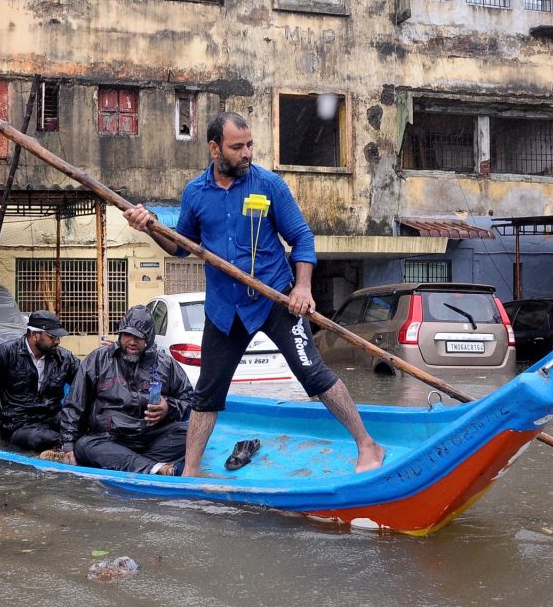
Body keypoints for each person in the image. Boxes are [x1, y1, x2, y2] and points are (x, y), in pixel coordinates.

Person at [124, 111, 385, 477]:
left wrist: (303, 287)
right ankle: (192, 472)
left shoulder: (269, 185)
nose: (246, 153)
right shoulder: (196, 193)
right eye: (237, 147)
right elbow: (180, 246)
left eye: (249, 145)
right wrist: (150, 225)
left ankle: (368, 445)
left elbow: (302, 239)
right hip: (224, 310)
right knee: (207, 393)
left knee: (314, 374)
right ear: (214, 148)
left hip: (275, 299)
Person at [53, 305, 193, 475]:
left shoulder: (166, 364)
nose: (132, 342)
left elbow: (189, 400)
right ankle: (152, 467)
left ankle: (133, 463)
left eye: (138, 337)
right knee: (84, 446)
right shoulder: (99, 359)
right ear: (120, 334)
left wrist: (168, 408)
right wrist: (68, 444)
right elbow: (75, 404)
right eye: (127, 335)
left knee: (191, 432)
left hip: (150, 437)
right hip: (110, 438)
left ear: (148, 339)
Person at [0, 310, 79, 452]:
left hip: (51, 419)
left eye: (58, 337)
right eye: (52, 337)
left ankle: (69, 445)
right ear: (34, 335)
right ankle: (68, 446)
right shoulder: (5, 353)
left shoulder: (64, 357)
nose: (57, 342)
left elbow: (86, 382)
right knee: (38, 439)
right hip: (16, 424)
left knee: (83, 428)